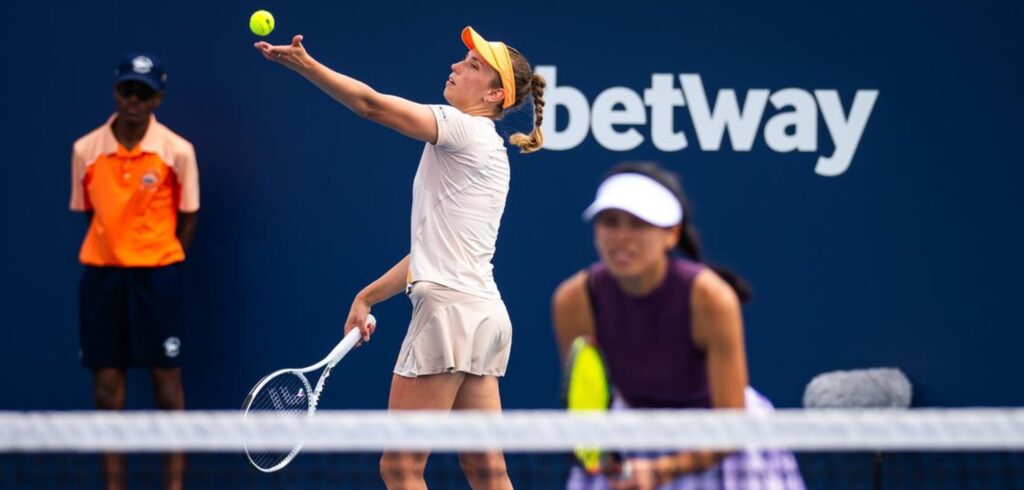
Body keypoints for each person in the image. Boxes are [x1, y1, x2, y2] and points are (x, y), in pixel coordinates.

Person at [255, 26, 545, 488]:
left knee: (400, 468)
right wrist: (367, 296)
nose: (456, 65)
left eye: (473, 65)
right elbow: (430, 253)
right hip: (484, 316)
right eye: (463, 58)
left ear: (495, 94)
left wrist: (307, 65)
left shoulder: (463, 129)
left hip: (447, 314)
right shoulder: (489, 149)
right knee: (487, 469)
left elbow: (369, 104)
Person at [552, 162, 804, 489]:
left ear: (671, 234)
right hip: (633, 435)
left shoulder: (711, 299)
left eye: (639, 224)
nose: (621, 237)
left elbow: (733, 425)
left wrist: (662, 470)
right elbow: (587, 404)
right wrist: (609, 459)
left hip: (721, 440)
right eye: (610, 222)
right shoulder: (574, 300)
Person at [70, 53, 199, 490]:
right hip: (103, 279)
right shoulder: (85, 151)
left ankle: (174, 486)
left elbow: (188, 216)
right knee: (107, 389)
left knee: (167, 388)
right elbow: (90, 215)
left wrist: (159, 256)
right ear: (116, 92)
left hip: (158, 279)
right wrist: (116, 251)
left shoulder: (178, 152)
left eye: (143, 93)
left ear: (157, 98)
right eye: (127, 90)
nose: (133, 100)